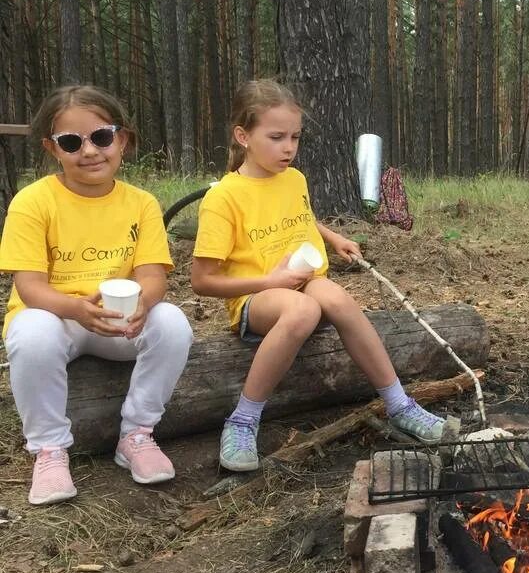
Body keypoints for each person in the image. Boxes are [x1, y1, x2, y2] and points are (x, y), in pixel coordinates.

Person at [191, 79, 447, 471]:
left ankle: (399, 403)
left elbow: (300, 218)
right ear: (243, 136)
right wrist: (268, 282)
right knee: (302, 312)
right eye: (276, 137)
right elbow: (202, 281)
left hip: (303, 280)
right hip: (256, 295)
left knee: (339, 299)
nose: (288, 147)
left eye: (295, 136)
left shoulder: (293, 179)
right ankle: (243, 420)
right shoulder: (224, 197)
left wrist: (331, 237)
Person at [0, 85, 194, 505]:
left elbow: (153, 276)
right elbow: (29, 286)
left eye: (101, 137)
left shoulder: (140, 204)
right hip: (57, 318)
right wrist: (74, 309)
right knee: (31, 334)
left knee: (173, 323)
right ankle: (49, 450)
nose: (90, 151)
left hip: (116, 323)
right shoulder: (32, 202)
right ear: (53, 149)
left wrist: (144, 304)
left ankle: (137, 435)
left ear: (121, 139)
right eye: (72, 142)